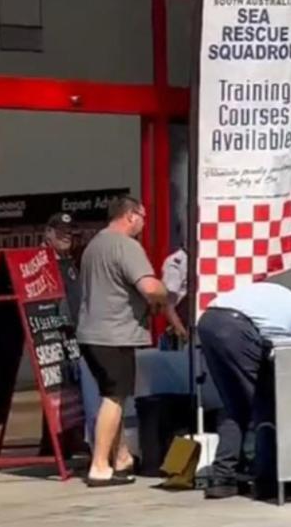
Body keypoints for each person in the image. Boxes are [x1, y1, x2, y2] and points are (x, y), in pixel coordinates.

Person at [75, 196, 170, 487]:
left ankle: (121, 458)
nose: (144, 223)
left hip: (90, 334)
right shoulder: (127, 246)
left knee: (109, 395)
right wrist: (164, 296)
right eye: (142, 216)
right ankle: (100, 465)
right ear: (130, 216)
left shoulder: (95, 245)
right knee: (114, 399)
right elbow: (150, 287)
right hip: (114, 334)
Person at [198, 279, 291, 500]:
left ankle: (222, 479)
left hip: (209, 321)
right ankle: (268, 482)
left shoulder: (279, 312)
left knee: (233, 405)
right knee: (264, 405)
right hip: (237, 327)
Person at [37, 213, 102, 457]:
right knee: (54, 386)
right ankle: (53, 443)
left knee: (72, 390)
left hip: (75, 333)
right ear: (48, 233)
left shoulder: (69, 261)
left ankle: (71, 438)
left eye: (69, 233)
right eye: (61, 232)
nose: (66, 237)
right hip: (52, 334)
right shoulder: (41, 262)